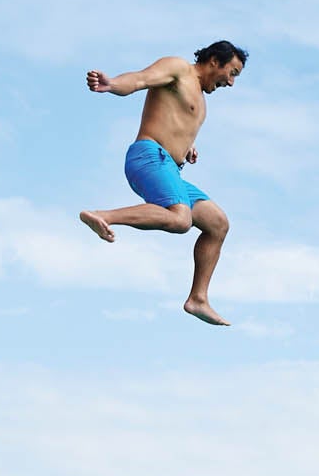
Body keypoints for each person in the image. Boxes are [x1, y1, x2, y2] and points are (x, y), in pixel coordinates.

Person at [79, 41, 249, 325]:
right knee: (181, 219)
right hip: (148, 155)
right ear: (215, 61)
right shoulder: (178, 69)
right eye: (231, 73)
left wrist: (187, 148)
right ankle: (102, 216)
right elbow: (140, 79)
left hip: (169, 166)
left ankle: (198, 299)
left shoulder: (202, 102)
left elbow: (177, 124)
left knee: (217, 223)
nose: (230, 83)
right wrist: (112, 84)